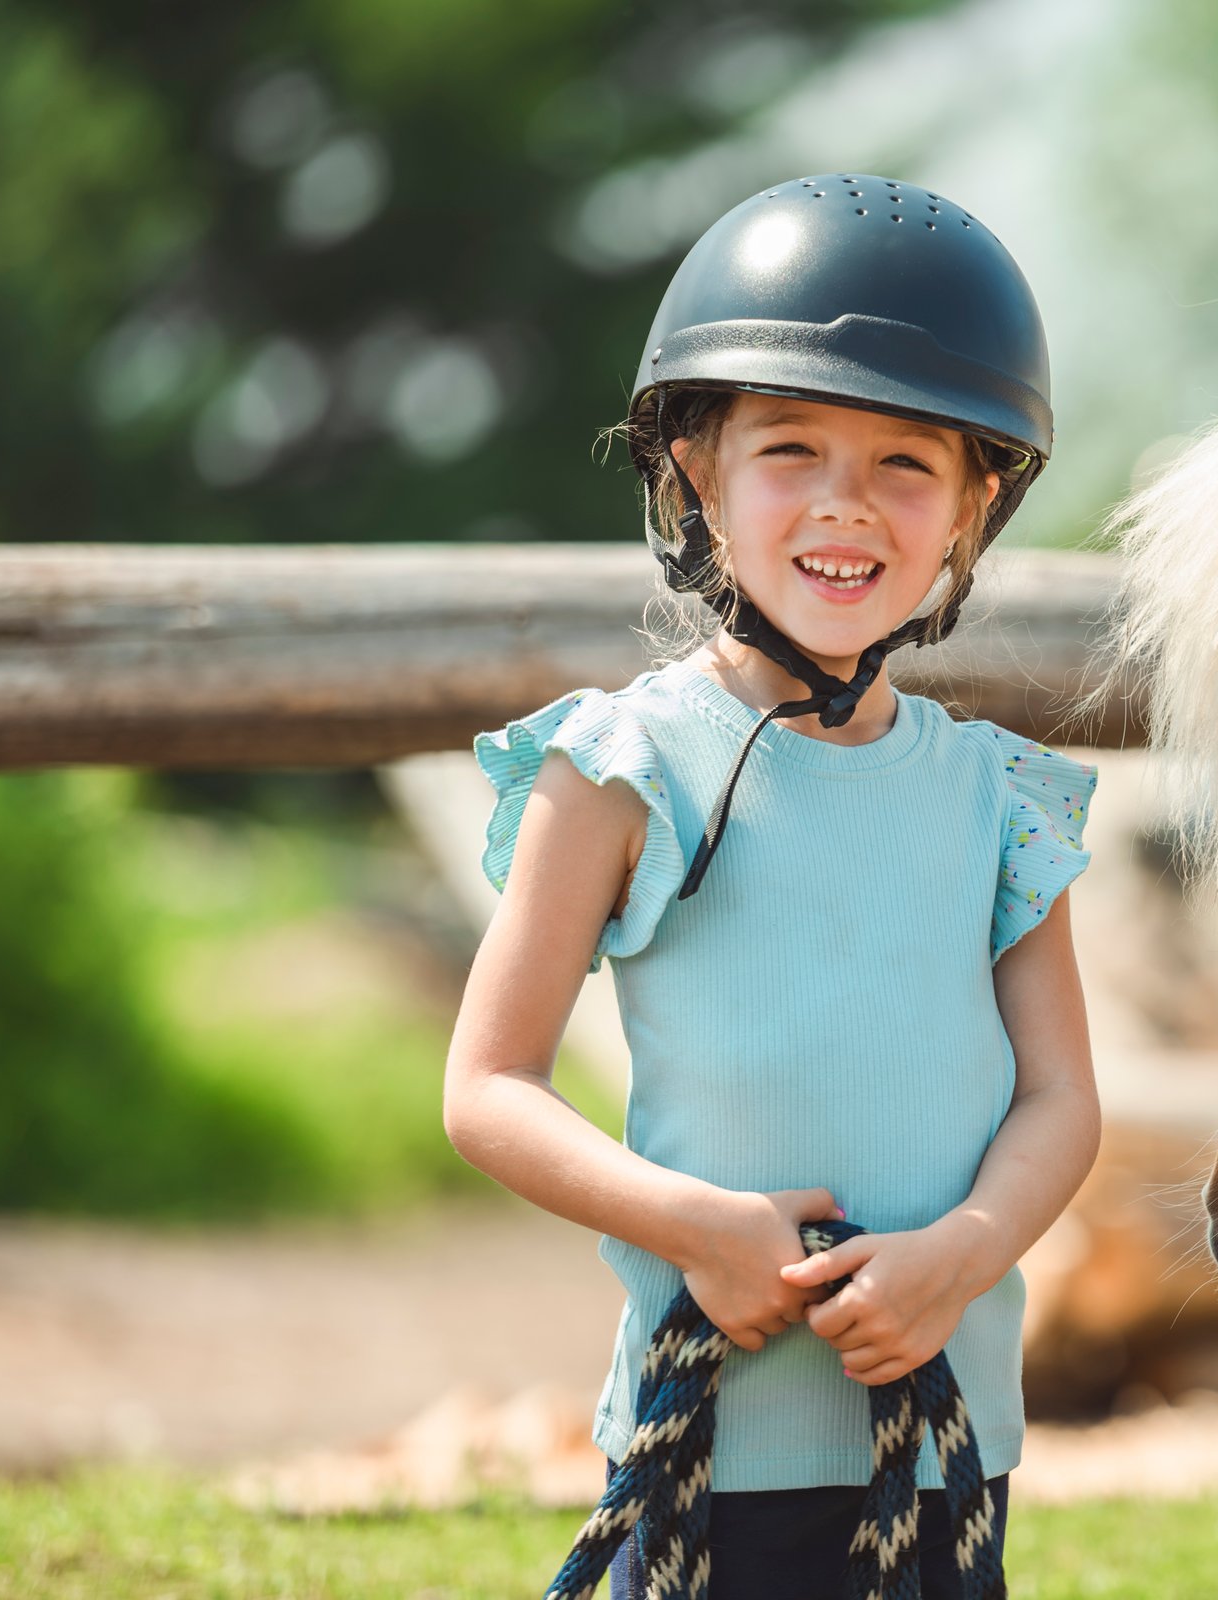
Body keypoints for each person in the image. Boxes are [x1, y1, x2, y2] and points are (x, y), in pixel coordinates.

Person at [440, 173, 1100, 1599]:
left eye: (907, 467)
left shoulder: (1000, 800)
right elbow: (487, 1085)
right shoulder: (620, 768)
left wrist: (963, 1257)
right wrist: (688, 1225)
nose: (845, 508)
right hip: (714, 1460)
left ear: (976, 506)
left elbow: (1061, 1099)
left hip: (943, 1452)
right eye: (791, 449)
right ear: (695, 473)